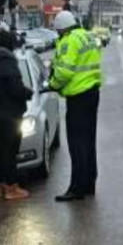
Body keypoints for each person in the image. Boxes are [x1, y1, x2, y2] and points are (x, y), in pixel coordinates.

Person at [49, 11, 102, 202]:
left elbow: (64, 71)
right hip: (92, 93)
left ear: (62, 29)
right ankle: (89, 183)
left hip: (78, 97)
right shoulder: (87, 36)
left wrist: (52, 84)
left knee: (77, 144)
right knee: (88, 142)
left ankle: (76, 188)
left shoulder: (69, 40)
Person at [0, 30, 33, 200]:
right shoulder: (8, 64)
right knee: (10, 152)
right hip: (10, 116)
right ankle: (11, 188)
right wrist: (28, 93)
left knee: (0, 151)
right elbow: (16, 90)